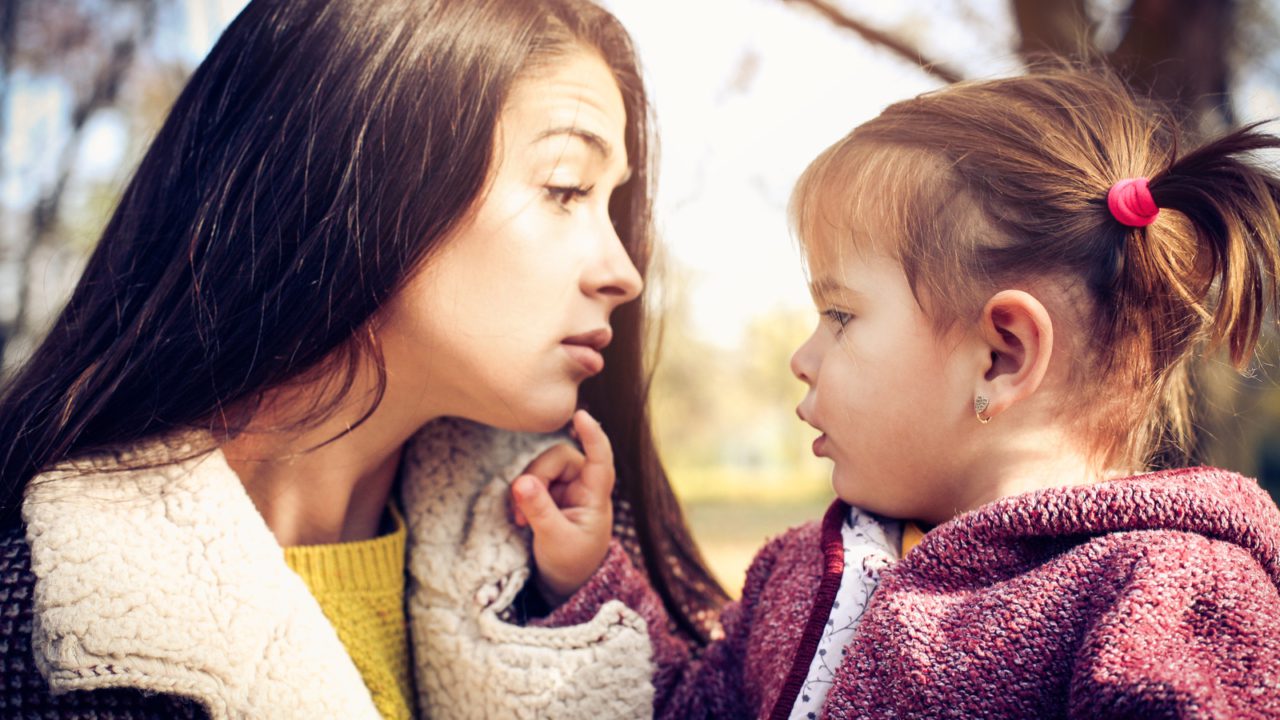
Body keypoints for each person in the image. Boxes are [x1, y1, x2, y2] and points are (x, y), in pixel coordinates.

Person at [0, 0, 727, 717]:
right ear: (368, 177)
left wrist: (575, 601)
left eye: (610, 201)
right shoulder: (41, 630)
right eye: (566, 188)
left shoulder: (579, 564)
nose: (623, 272)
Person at [516, 67, 1280, 718]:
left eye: (840, 315)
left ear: (1000, 356)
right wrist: (588, 579)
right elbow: (687, 706)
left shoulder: (1169, 591)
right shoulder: (799, 576)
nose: (802, 358)